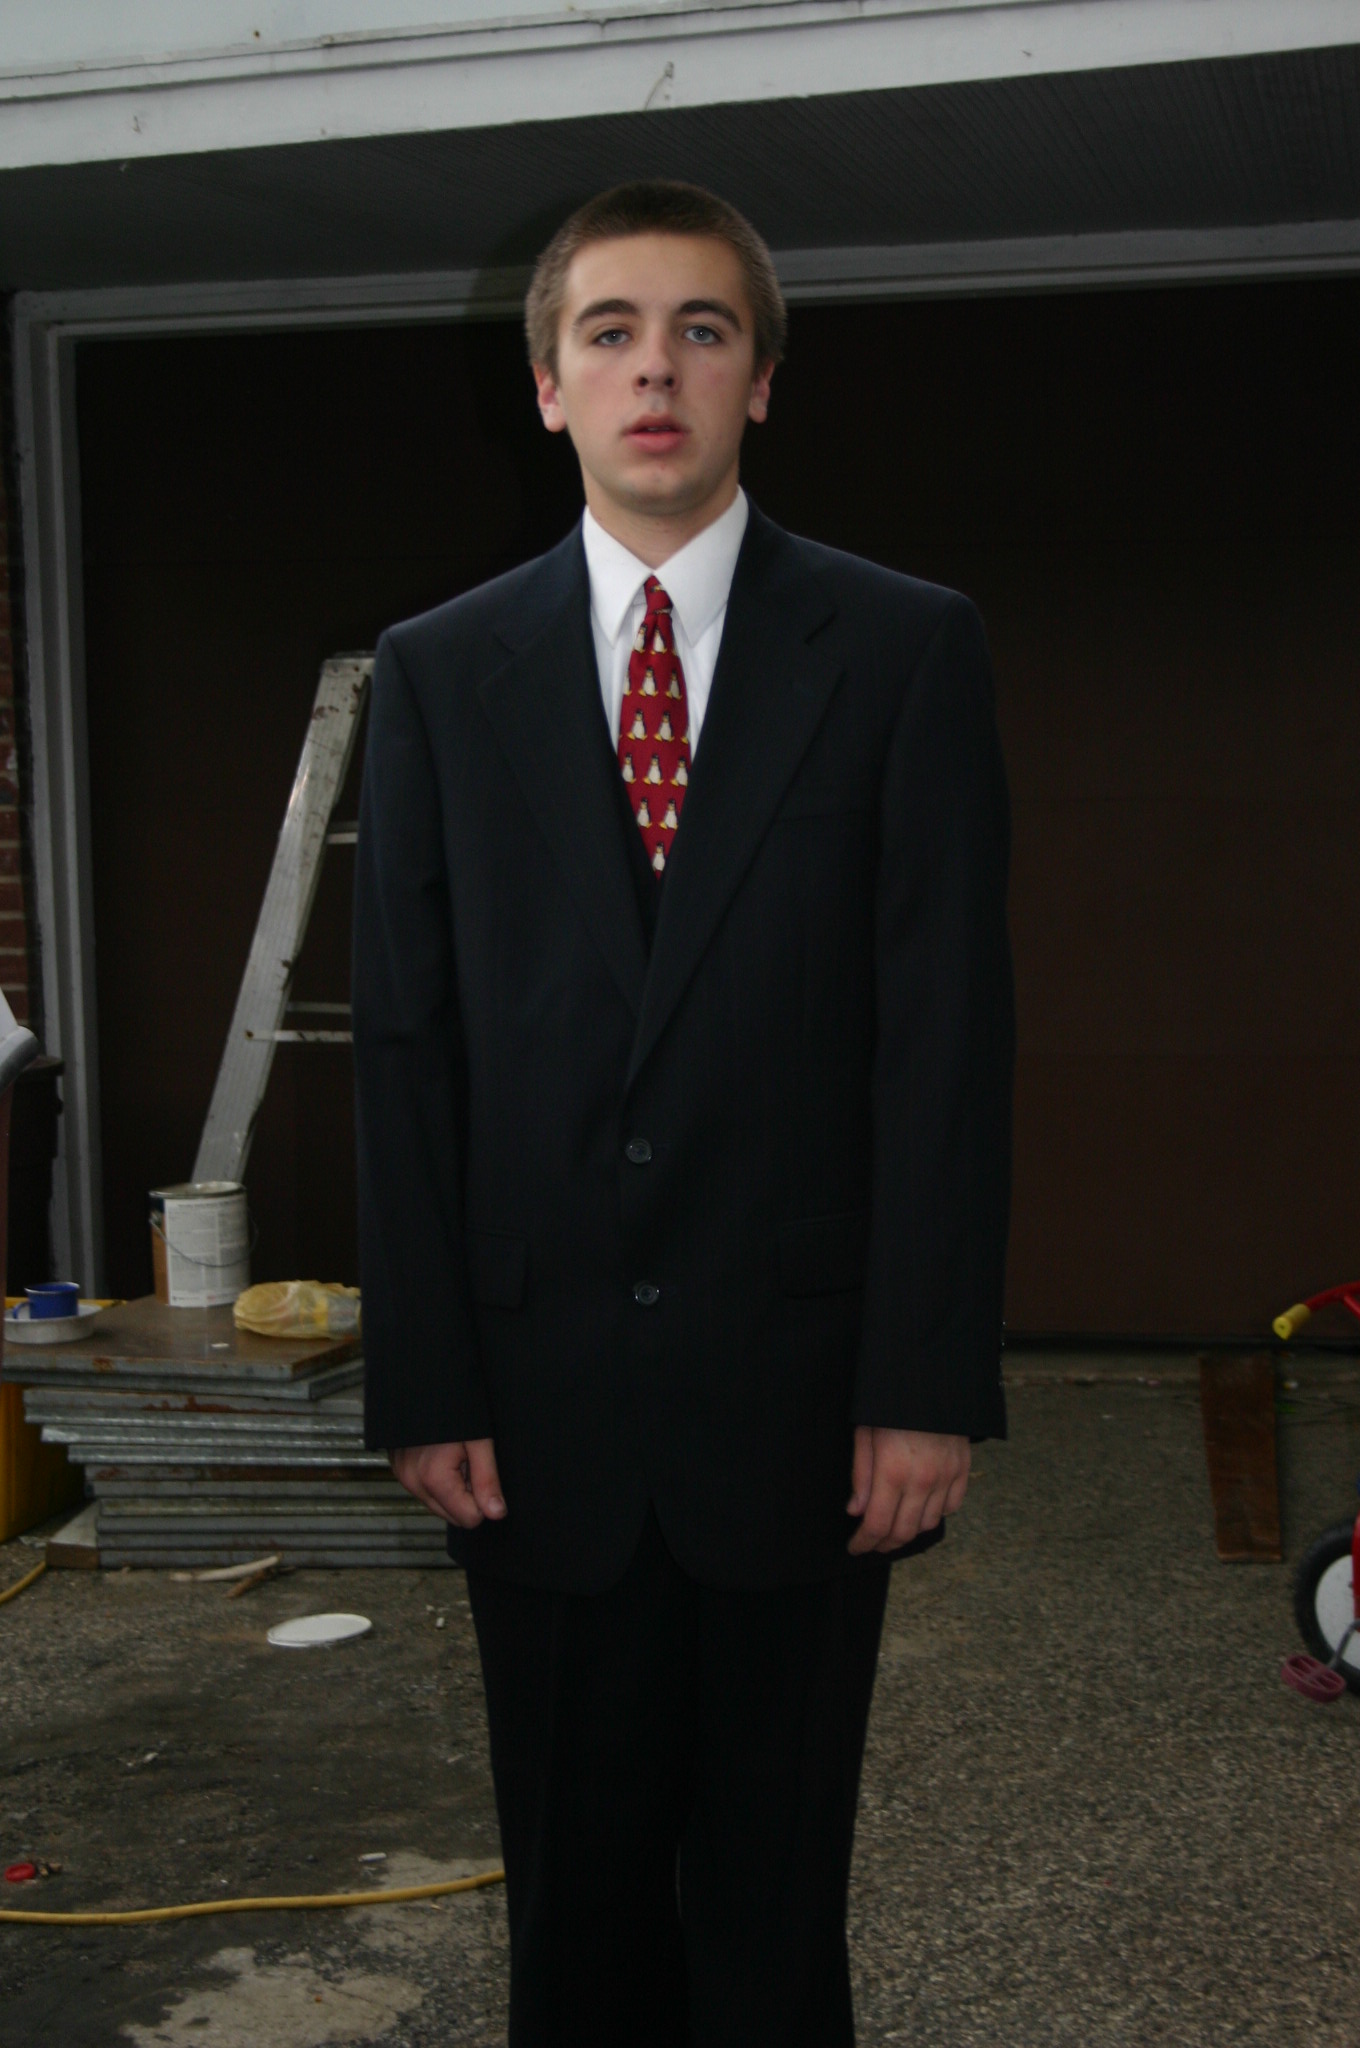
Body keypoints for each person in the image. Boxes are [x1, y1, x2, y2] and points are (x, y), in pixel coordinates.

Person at [354, 180, 1013, 2048]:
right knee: (576, 1912)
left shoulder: (901, 650)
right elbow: (406, 1049)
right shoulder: (438, 674)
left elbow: (946, 1045)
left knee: (773, 1907)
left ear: (762, 380)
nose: (658, 370)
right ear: (548, 384)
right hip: (533, 1416)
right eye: (613, 332)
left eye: (703, 331)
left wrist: (924, 1382)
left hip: (802, 1411)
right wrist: (426, 1381)